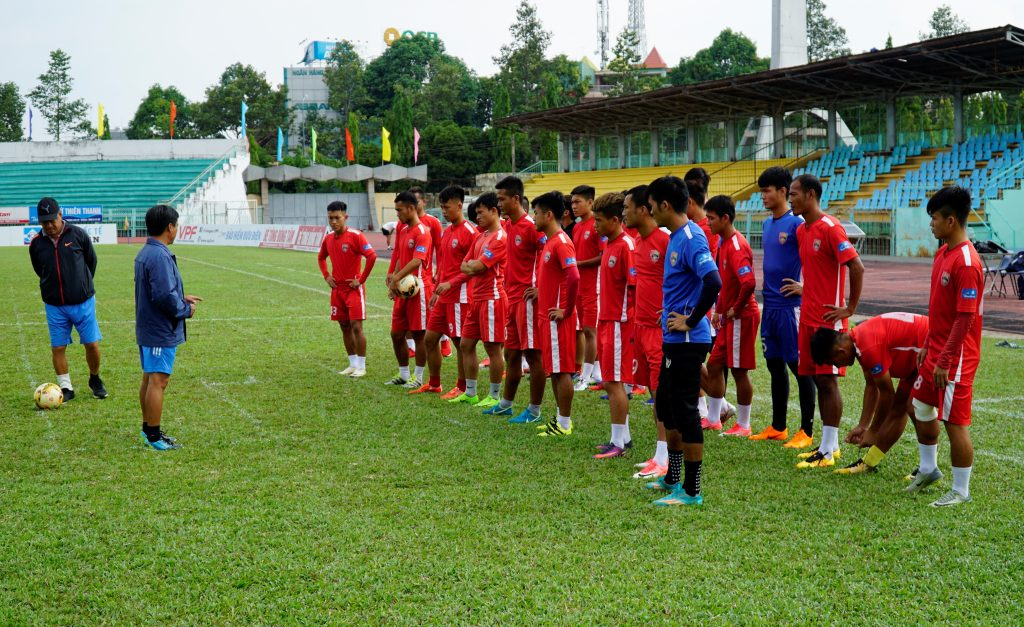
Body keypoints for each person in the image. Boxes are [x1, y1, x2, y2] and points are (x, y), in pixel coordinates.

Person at [645, 176, 721, 506]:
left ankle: (691, 490)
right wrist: (670, 310)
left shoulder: (691, 237)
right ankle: (673, 477)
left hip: (688, 339)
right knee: (666, 404)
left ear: (664, 205)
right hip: (674, 338)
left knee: (686, 410)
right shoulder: (675, 237)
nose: (650, 211)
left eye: (651, 206)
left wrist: (690, 319)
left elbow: (713, 281)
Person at [907, 187, 984, 507]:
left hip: (956, 356)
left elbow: (965, 319)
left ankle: (961, 490)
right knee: (919, 406)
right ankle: (929, 469)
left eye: (935, 218)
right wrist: (928, 344)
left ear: (951, 221)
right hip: (936, 349)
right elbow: (938, 308)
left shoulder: (966, 262)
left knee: (955, 423)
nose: (931, 224)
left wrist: (945, 360)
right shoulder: (942, 254)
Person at [789, 174, 865, 469]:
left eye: (794, 194)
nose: (791, 199)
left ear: (810, 195)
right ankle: (828, 445)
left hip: (828, 321)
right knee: (817, 379)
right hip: (807, 317)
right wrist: (806, 289)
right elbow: (817, 270)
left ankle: (828, 450)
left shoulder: (831, 228)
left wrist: (850, 308)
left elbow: (856, 266)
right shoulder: (802, 230)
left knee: (828, 381)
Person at [809, 312, 929, 476]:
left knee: (916, 408)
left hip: (930, 348)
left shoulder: (867, 348)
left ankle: (929, 468)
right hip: (916, 356)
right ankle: (870, 462)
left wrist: (874, 431)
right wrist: (863, 426)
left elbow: (887, 394)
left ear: (840, 351)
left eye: (833, 362)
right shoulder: (858, 341)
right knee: (900, 408)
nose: (837, 366)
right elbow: (872, 386)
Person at [749, 167, 817, 448]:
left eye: (767, 191)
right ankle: (778, 426)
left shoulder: (797, 225)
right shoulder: (767, 224)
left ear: (783, 191)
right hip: (770, 306)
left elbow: (815, 259)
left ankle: (806, 431)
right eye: (761, 191)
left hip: (791, 308)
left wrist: (806, 287)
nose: (763, 196)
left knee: (800, 368)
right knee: (774, 365)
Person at [134, 204, 200, 450]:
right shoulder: (159, 255)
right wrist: (185, 309)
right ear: (170, 227)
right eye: (176, 225)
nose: (177, 230)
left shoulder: (147, 252)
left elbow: (158, 291)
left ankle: (148, 429)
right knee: (158, 380)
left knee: (150, 377)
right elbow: (163, 296)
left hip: (149, 327)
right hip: (159, 329)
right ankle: (153, 436)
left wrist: (180, 297)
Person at [28, 197, 107, 401]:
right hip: (55, 306)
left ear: (60, 215)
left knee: (91, 344)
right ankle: (66, 387)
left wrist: (81, 285)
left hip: (83, 302)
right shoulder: (36, 244)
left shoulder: (78, 234)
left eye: (52, 220)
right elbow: (39, 270)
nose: (49, 225)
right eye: (44, 222)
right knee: (58, 347)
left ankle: (95, 379)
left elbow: (91, 261)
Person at [488, 175, 548, 423]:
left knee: (533, 356)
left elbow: (548, 252)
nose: (499, 203)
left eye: (502, 199)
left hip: (527, 300)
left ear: (515, 199)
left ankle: (534, 410)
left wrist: (541, 287)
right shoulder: (509, 226)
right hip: (511, 299)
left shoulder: (531, 227)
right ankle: (506, 404)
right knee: (512, 354)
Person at [624, 185, 671, 478]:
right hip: (641, 327)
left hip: (660, 330)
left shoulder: (665, 240)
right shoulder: (638, 243)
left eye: (627, 208)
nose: (623, 213)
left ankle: (665, 458)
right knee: (655, 393)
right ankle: (660, 453)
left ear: (643, 210)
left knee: (663, 393)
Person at [704, 195, 761, 437]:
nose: (708, 223)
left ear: (725, 218)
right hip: (729, 317)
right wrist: (719, 310)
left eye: (711, 218)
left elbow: (748, 282)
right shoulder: (724, 242)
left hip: (742, 317)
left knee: (738, 371)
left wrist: (735, 309)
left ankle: (744, 425)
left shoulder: (736, 245)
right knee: (714, 364)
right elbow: (727, 283)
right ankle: (714, 418)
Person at [449, 192, 508, 408]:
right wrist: (473, 266)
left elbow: (478, 266)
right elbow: (465, 266)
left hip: (492, 299)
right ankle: (471, 392)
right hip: (477, 299)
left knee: (492, 349)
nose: (478, 217)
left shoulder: (500, 238)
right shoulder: (481, 236)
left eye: (481, 212)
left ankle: (494, 395)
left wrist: (474, 266)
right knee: (466, 344)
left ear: (494, 211)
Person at [591, 192, 637, 459]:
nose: (595, 225)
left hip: (620, 324)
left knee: (614, 382)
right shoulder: (609, 244)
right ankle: (623, 438)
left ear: (615, 220)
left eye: (599, 220)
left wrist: (628, 321)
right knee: (609, 380)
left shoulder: (626, 246)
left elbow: (635, 288)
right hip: (607, 321)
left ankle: (618, 443)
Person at [422, 186, 479, 396]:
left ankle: (462, 387)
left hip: (460, 296)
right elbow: (445, 265)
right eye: (442, 208)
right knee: (430, 339)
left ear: (459, 205)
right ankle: (434, 383)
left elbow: (474, 269)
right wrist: (437, 290)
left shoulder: (470, 233)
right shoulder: (447, 232)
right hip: (444, 296)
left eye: (447, 207)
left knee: (460, 344)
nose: (444, 212)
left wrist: (451, 284)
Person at [531, 191, 580, 437]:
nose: (534, 218)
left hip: (557, 318)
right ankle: (560, 419)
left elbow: (574, 277)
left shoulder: (561, 242)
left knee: (562, 371)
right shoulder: (549, 242)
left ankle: (565, 423)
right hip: (547, 317)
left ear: (549, 215)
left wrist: (566, 310)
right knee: (554, 369)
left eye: (536, 213)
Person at [318, 201, 376, 378]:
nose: (333, 221)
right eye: (330, 218)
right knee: (344, 326)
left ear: (346, 217)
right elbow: (321, 258)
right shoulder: (328, 238)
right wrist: (327, 275)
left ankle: (362, 366)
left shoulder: (356, 236)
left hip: (353, 290)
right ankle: (352, 364)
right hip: (337, 290)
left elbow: (372, 256)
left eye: (337, 217)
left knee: (356, 326)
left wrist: (361, 280)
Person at [385, 191, 433, 387]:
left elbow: (416, 261)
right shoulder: (404, 230)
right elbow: (401, 257)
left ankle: (418, 377)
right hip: (402, 291)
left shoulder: (423, 232)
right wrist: (393, 279)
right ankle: (404, 374)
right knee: (396, 334)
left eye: (399, 210)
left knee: (419, 335)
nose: (397, 214)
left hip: (417, 290)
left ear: (411, 208)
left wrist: (397, 278)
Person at [570, 185, 605, 391]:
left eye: (578, 202)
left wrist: (579, 264)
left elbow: (603, 255)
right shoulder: (577, 227)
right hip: (580, 287)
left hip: (594, 287)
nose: (574, 206)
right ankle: (597, 373)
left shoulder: (597, 226)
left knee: (591, 331)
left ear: (590, 202)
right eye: (572, 202)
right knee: (586, 330)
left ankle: (585, 376)